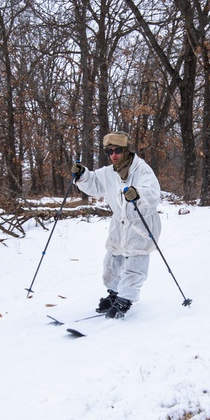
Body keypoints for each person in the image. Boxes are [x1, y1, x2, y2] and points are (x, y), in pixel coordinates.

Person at [71, 131, 161, 319]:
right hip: (119, 223)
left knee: (135, 261)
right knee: (112, 260)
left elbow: (151, 192)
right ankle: (114, 292)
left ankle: (126, 298)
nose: (113, 155)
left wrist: (138, 194)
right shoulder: (109, 172)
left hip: (140, 221)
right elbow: (94, 183)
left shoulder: (142, 170)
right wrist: (82, 175)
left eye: (118, 150)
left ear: (127, 150)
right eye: (109, 151)